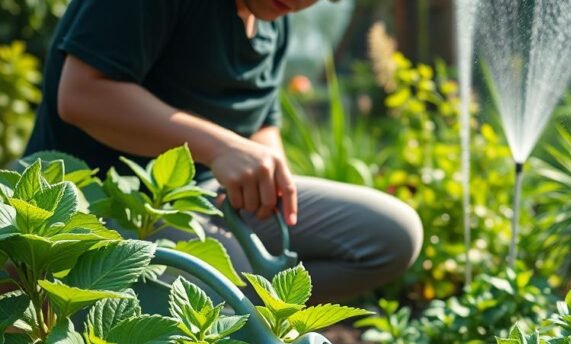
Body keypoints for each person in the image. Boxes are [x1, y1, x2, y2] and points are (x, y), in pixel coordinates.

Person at [26, 0, 423, 303]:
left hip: (205, 200)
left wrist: (270, 178)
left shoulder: (272, 20)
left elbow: (260, 121)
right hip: (103, 200)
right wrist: (219, 147)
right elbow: (82, 95)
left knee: (391, 234)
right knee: (239, 283)